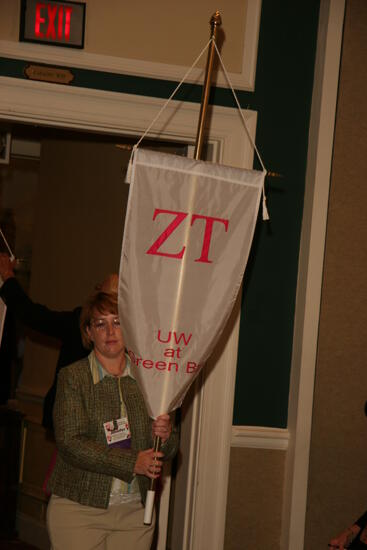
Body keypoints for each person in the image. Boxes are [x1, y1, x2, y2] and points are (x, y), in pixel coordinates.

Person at [46, 289, 178, 550]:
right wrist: (133, 462)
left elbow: (169, 450)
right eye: (100, 323)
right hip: (79, 510)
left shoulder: (150, 380)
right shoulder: (73, 377)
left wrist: (167, 435)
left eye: (117, 322)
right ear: (88, 332)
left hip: (135, 513)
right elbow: (70, 443)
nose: (110, 331)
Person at [0, 252, 118, 431]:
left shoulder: (127, 367)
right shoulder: (73, 375)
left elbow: (34, 316)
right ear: (88, 332)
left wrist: (8, 276)